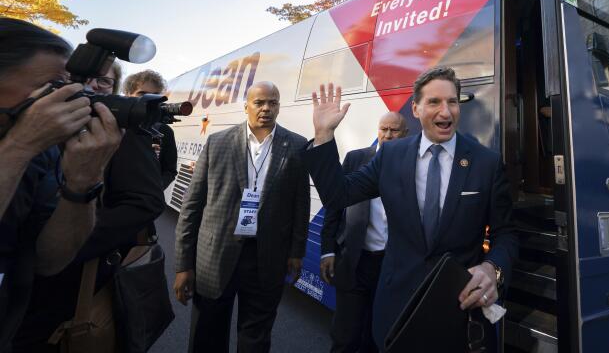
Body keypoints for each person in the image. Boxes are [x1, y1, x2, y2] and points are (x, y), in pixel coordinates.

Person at [308, 67, 518, 351]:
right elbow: (338, 195)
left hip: (459, 311)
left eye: (452, 102)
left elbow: (506, 234)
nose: (445, 112)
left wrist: (493, 268)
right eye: (434, 102)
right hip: (396, 309)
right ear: (416, 109)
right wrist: (323, 137)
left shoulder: (486, 162)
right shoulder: (391, 156)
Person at [12, 59, 167, 351]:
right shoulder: (28, 120)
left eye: (105, 82)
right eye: (84, 77)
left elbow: (144, 201)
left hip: (67, 289)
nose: (93, 85)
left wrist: (64, 241)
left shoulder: (122, 131)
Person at [0, 18, 122, 349]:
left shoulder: (42, 153)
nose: (73, 101)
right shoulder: (26, 143)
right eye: (54, 87)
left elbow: (50, 260)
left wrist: (83, 182)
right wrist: (20, 145)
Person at [174, 81, 310, 353]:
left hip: (267, 256)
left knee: (256, 337)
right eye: (259, 102)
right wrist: (182, 264)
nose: (266, 108)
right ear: (246, 105)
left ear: (279, 107)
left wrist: (296, 251)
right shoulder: (217, 142)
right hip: (215, 256)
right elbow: (192, 206)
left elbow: (300, 205)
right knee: (207, 333)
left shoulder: (296, 146)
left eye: (273, 102)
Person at [320, 111, 408, 353]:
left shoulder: (414, 167)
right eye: (384, 129)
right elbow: (334, 206)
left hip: (391, 267)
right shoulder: (356, 159)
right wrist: (327, 251)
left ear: (406, 134)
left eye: (394, 130)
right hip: (355, 262)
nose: (388, 135)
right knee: (345, 337)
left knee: (376, 338)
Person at [123, 69, 178, 188]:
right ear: (128, 94)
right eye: (142, 94)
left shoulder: (164, 131)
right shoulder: (113, 124)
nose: (149, 100)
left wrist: (153, 191)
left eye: (155, 95)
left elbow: (170, 171)